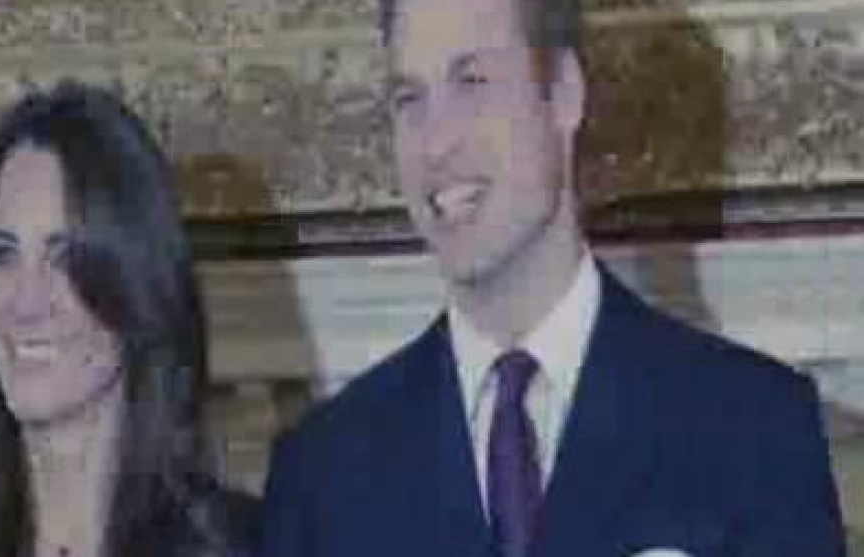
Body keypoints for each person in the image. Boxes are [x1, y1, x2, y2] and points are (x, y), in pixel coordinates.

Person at [259, 0, 847, 555]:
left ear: (565, 93)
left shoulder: (753, 429)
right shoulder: (322, 475)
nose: (435, 143)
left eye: (472, 82)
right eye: (409, 99)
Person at [0, 81, 257, 557]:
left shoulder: (250, 544)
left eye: (63, 258)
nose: (25, 303)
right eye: (2, 255)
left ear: (137, 284)